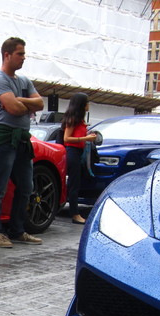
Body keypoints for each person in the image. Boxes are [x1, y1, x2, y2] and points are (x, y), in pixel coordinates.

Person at [0, 37, 44, 248]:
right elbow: (14, 109)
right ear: (7, 55)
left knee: (26, 187)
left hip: (22, 139)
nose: (24, 58)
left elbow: (40, 103)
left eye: (24, 54)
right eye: (20, 54)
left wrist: (22, 100)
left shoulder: (24, 81)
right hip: (4, 138)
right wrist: (26, 103)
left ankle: (17, 230)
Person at [61, 92, 97, 224]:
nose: (88, 105)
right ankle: (75, 214)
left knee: (75, 183)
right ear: (81, 104)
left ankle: (74, 212)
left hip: (77, 152)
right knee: (73, 184)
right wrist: (86, 138)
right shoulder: (73, 119)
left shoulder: (80, 120)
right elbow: (66, 138)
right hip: (72, 152)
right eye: (87, 102)